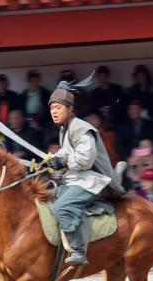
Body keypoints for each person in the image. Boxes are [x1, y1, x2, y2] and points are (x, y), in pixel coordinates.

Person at [47, 77, 125, 266]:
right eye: (51, 108)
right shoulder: (65, 129)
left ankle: (79, 250)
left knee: (61, 208)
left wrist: (63, 161)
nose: (54, 112)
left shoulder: (82, 128)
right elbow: (66, 153)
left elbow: (85, 159)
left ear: (70, 108)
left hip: (91, 180)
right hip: (75, 180)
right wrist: (51, 161)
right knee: (48, 203)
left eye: (58, 107)